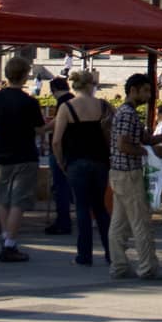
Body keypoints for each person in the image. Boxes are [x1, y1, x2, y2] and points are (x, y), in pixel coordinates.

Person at [0, 56, 46, 262]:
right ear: (24, 75)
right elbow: (39, 129)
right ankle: (10, 243)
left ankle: (5, 237)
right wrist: (55, 122)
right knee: (18, 201)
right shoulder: (29, 101)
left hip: (2, 151)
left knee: (3, 199)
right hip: (24, 153)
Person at [53, 69, 112, 266]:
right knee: (100, 208)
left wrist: (61, 162)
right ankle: (111, 252)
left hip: (76, 161)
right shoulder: (103, 105)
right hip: (100, 160)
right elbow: (113, 131)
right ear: (91, 86)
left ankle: (84, 254)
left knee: (81, 207)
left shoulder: (66, 108)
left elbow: (56, 141)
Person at [107, 73, 161, 279]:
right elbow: (123, 144)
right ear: (134, 90)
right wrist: (146, 152)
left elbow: (145, 138)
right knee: (140, 222)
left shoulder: (125, 112)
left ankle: (119, 265)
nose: (148, 95)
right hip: (128, 172)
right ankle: (148, 266)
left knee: (119, 223)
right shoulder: (128, 113)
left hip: (119, 173)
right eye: (145, 90)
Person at [44, 76, 74, 236]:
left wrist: (42, 129)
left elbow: (57, 123)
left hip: (62, 150)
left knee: (60, 187)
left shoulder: (63, 102)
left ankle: (63, 222)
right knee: (67, 188)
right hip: (73, 149)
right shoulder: (73, 100)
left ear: (54, 90)